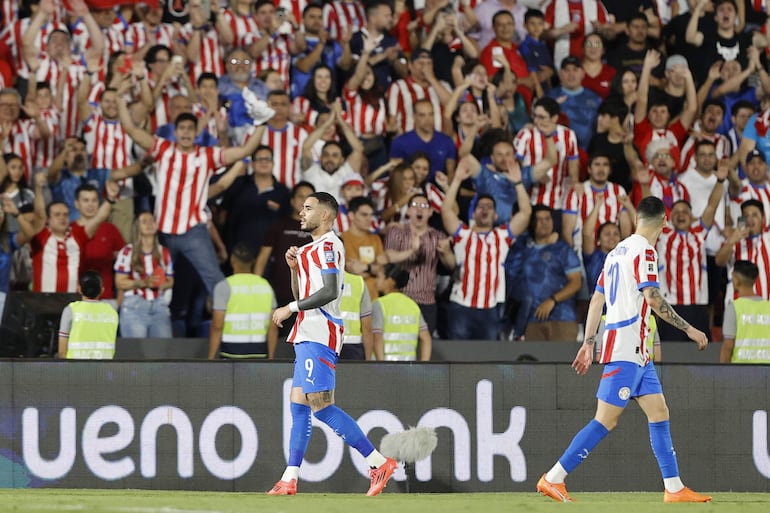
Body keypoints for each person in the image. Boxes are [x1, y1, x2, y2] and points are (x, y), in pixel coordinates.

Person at [536, 196, 711, 504]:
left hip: (637, 351)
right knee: (606, 419)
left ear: (637, 219)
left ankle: (673, 487)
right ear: (664, 221)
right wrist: (690, 329)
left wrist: (589, 343)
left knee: (659, 412)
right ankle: (553, 478)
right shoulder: (644, 250)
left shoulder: (617, 252)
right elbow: (654, 298)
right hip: (627, 347)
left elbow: (596, 300)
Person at [268, 191, 397, 496]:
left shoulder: (329, 246)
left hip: (319, 333)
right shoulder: (312, 248)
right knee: (299, 406)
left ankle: (378, 462)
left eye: (308, 208)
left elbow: (328, 293)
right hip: (305, 333)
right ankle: (290, 478)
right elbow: (304, 290)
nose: (302, 212)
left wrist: (290, 307)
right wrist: (293, 269)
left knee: (322, 407)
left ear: (325, 215)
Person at [441, 159, 531, 341]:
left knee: (488, 362)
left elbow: (525, 213)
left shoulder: (502, 236)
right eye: (480, 207)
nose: (484, 210)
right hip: (461, 306)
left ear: (496, 215)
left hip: (489, 308)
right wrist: (457, 181)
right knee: (459, 359)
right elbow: (446, 212)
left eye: (489, 207)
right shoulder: (463, 234)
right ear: (473, 214)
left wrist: (518, 184)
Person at [209, 243, 278, 360]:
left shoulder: (224, 286)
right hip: (259, 352)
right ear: (253, 261)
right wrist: (270, 359)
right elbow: (273, 327)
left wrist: (210, 359)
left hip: (231, 352)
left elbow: (217, 325)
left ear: (232, 260)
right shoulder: (265, 285)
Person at [114, 211, 175, 338]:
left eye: (152, 220)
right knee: (136, 354)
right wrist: (143, 282)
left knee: (162, 353)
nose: (149, 224)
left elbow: (171, 280)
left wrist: (162, 284)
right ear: (137, 227)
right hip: (134, 307)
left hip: (159, 307)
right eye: (144, 221)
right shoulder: (127, 252)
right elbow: (119, 282)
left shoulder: (164, 252)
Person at [371, 263, 431, 361]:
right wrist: (423, 365)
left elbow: (377, 338)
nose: (375, 281)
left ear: (390, 281)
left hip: (386, 367)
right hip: (408, 369)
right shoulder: (413, 305)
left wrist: (381, 367)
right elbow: (426, 338)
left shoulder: (379, 304)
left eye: (378, 277)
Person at [57, 271, 119, 360]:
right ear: (102, 290)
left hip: (75, 369)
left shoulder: (71, 310)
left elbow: (62, 352)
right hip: (104, 369)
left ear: (79, 289)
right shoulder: (112, 312)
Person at [339, 270, 373, 360]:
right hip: (353, 347)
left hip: (325, 344)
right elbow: (367, 327)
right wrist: (368, 361)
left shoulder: (316, 279)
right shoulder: (358, 282)